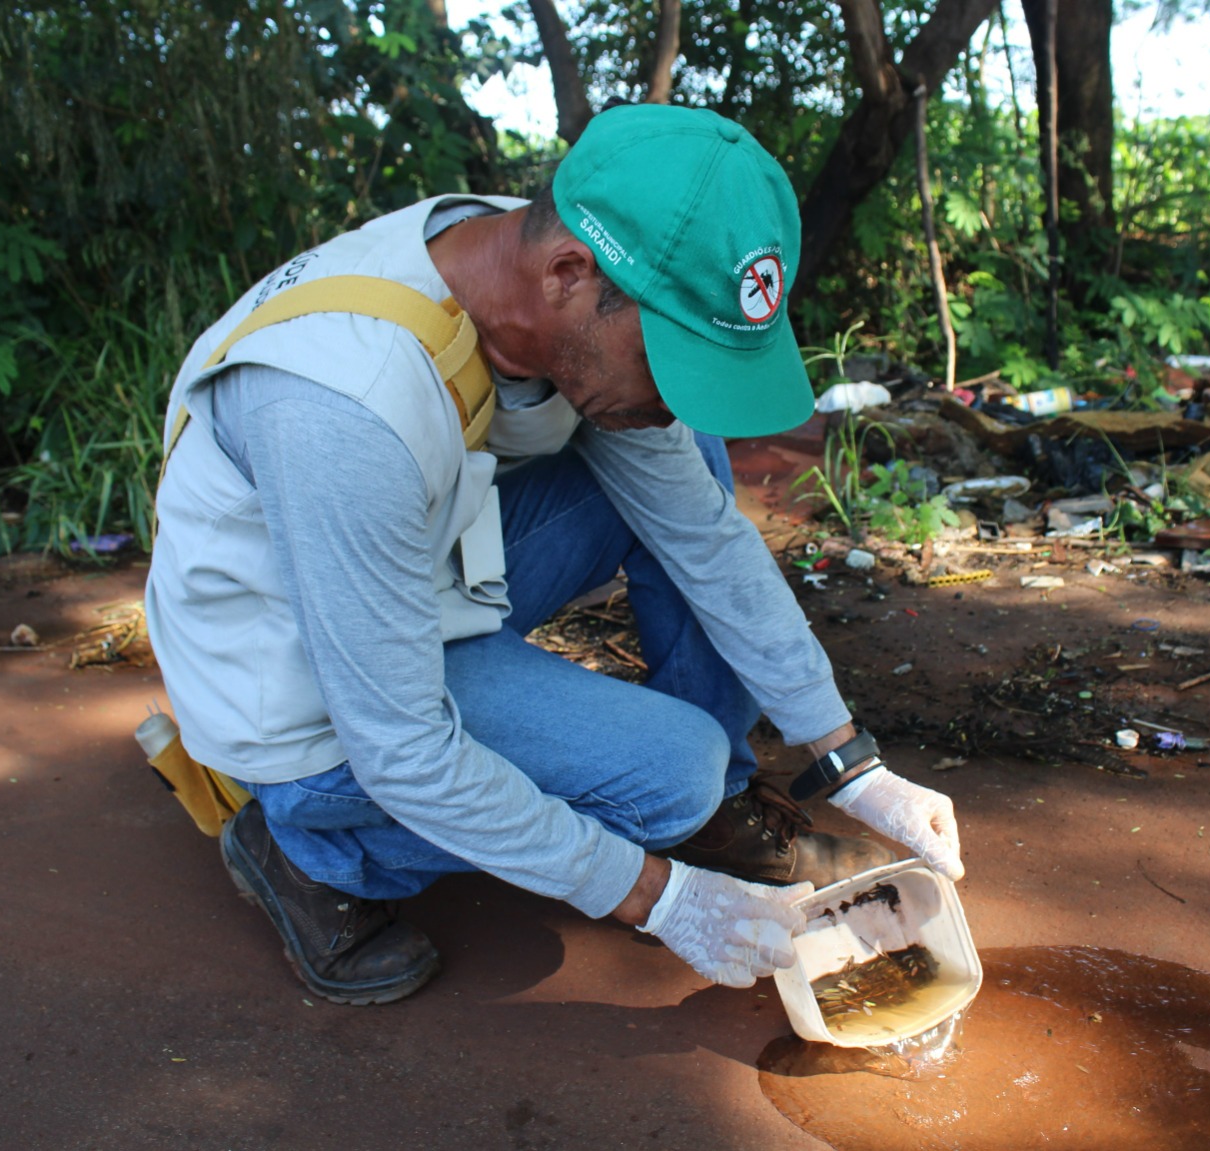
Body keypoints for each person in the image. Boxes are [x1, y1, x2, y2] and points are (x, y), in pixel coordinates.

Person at [144, 104, 964, 1005]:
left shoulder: (542, 268)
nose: (674, 397)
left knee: (682, 456)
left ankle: (706, 811)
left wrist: (853, 762)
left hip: (408, 572)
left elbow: (704, 538)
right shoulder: (342, 407)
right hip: (302, 678)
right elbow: (405, 751)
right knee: (671, 767)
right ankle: (309, 846)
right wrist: (654, 896)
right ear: (570, 276)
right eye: (673, 361)